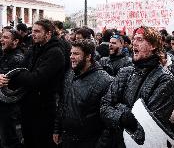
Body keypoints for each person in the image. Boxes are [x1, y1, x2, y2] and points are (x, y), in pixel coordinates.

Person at [100, 26, 174, 147]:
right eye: (134, 39)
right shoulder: (125, 72)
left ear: (153, 46)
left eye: (140, 40)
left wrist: (119, 109)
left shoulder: (164, 79)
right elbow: (104, 107)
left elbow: (148, 124)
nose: (134, 43)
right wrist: (124, 117)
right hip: (113, 141)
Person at [7, 19, 66, 148]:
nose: (32, 34)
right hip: (28, 106)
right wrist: (18, 75)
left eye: (37, 31)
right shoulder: (34, 48)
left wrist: (17, 75)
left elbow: (35, 79)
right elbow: (21, 69)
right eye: (32, 31)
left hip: (44, 109)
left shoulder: (55, 53)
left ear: (48, 34)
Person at [53, 39, 113, 148]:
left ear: (88, 56)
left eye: (76, 54)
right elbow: (62, 103)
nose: (71, 57)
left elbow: (109, 121)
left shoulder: (105, 81)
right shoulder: (70, 74)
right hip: (67, 138)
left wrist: (101, 144)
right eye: (71, 53)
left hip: (89, 142)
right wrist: (57, 129)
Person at [0, 30, 24, 148]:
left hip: (9, 106)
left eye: (5, 37)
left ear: (15, 41)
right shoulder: (5, 54)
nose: (1, 40)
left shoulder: (17, 58)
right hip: (5, 105)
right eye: (1, 37)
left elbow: (5, 80)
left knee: (9, 139)